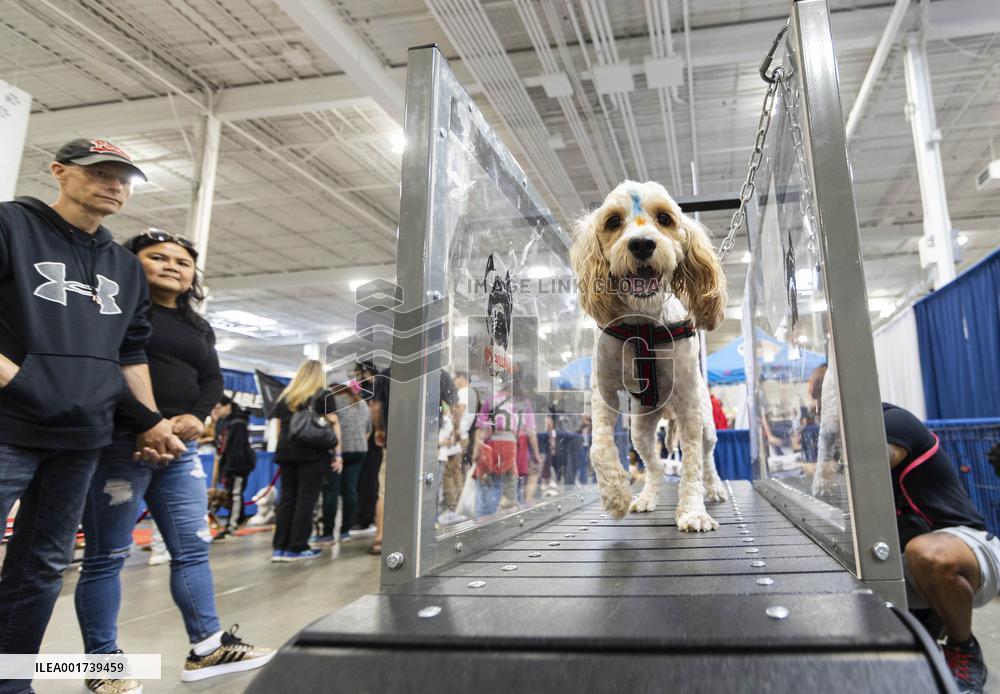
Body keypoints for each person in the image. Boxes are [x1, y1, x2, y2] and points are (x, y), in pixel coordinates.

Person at [0, 139, 184, 692]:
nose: (114, 184)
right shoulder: (11, 225)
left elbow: (129, 353)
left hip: (82, 438)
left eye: (123, 177)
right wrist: (27, 382)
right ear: (59, 172)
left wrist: (150, 418)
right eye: (99, 172)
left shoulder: (125, 267)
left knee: (41, 569)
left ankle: (12, 683)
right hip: (8, 426)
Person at [74, 229, 273, 692]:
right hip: (122, 444)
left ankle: (208, 649)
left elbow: (212, 376)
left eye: (182, 262)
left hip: (180, 452)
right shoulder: (111, 307)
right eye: (157, 257)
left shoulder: (197, 324)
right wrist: (148, 421)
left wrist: (196, 416)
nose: (172, 266)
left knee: (191, 550)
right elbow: (107, 366)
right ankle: (102, 665)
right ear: (130, 262)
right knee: (106, 557)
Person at [883, 402, 998, 694]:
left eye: (821, 394)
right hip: (908, 558)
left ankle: (965, 649)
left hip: (966, 545)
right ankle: (927, 637)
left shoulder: (893, 421)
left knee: (926, 554)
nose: (818, 407)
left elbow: (873, 462)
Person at [271, 360, 339, 562]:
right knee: (306, 499)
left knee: (287, 499)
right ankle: (297, 547)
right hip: (312, 453)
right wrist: (337, 452)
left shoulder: (285, 396)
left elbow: (279, 428)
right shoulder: (323, 395)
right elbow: (333, 424)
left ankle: (279, 548)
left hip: (285, 452)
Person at [315, 384, 371, 544]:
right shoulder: (361, 402)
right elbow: (369, 429)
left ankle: (327, 534)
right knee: (350, 491)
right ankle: (345, 531)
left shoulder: (332, 400)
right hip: (359, 450)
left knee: (331, 491)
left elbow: (328, 425)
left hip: (337, 450)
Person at [213, 397, 256, 542]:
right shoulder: (225, 422)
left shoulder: (238, 423)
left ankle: (231, 526)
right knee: (233, 494)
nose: (216, 411)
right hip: (229, 465)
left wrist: (232, 468)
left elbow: (237, 448)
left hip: (238, 465)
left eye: (219, 407)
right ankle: (240, 518)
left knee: (235, 494)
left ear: (228, 406)